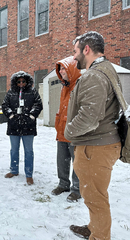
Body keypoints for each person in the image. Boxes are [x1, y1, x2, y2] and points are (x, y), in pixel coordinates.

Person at [64, 31, 122, 240]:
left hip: (95, 148)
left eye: (75, 52)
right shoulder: (105, 70)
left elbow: (89, 117)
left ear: (86, 49)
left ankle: (99, 236)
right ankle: (94, 227)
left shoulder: (94, 75)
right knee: (94, 195)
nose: (74, 57)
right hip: (99, 145)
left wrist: (68, 131)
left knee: (95, 198)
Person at [2, 71, 43, 185]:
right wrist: (11, 115)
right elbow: (5, 105)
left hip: (28, 127)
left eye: (23, 81)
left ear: (27, 81)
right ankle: (14, 170)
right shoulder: (10, 92)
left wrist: (31, 116)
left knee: (28, 151)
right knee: (14, 150)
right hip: (14, 126)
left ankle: (29, 174)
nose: (21, 83)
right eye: (19, 81)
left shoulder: (33, 92)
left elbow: (38, 104)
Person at [51, 56, 82, 202]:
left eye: (64, 68)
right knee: (62, 160)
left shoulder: (80, 86)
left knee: (77, 163)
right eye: (60, 69)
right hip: (62, 130)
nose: (61, 71)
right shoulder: (65, 86)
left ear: (72, 69)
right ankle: (63, 184)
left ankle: (77, 190)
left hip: (75, 132)